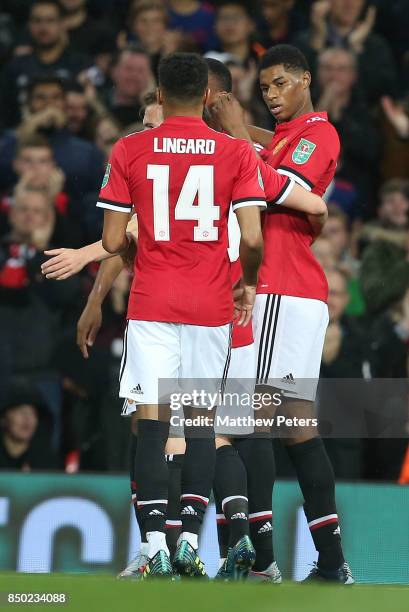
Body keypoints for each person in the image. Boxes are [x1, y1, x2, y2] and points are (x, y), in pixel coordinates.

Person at [212, 44, 354, 584]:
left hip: (277, 288)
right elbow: (271, 154)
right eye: (265, 87)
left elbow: (284, 190)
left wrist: (233, 133)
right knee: (294, 427)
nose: (271, 95)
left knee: (245, 425)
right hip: (287, 291)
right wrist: (244, 131)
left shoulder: (319, 133)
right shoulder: (289, 138)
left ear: (306, 80)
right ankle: (332, 563)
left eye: (280, 84)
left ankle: (261, 560)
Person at [0, 0, 90, 127]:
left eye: (50, 21)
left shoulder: (80, 64)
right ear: (29, 25)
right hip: (23, 140)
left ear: (62, 24)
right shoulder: (14, 67)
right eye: (37, 21)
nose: (43, 27)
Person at [293, 0, 398, 106]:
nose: (349, 4)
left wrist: (356, 50)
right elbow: (296, 89)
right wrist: (317, 45)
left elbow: (382, 95)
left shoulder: (376, 46)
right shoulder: (305, 42)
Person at [0, 381, 58, 470]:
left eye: (33, 413)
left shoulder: (46, 460)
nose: (28, 419)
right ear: (3, 419)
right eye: (20, 412)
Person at [100, 45, 155, 128]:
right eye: (129, 69)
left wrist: (148, 103)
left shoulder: (161, 110)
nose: (134, 76)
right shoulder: (98, 100)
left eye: (141, 70)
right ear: (114, 71)